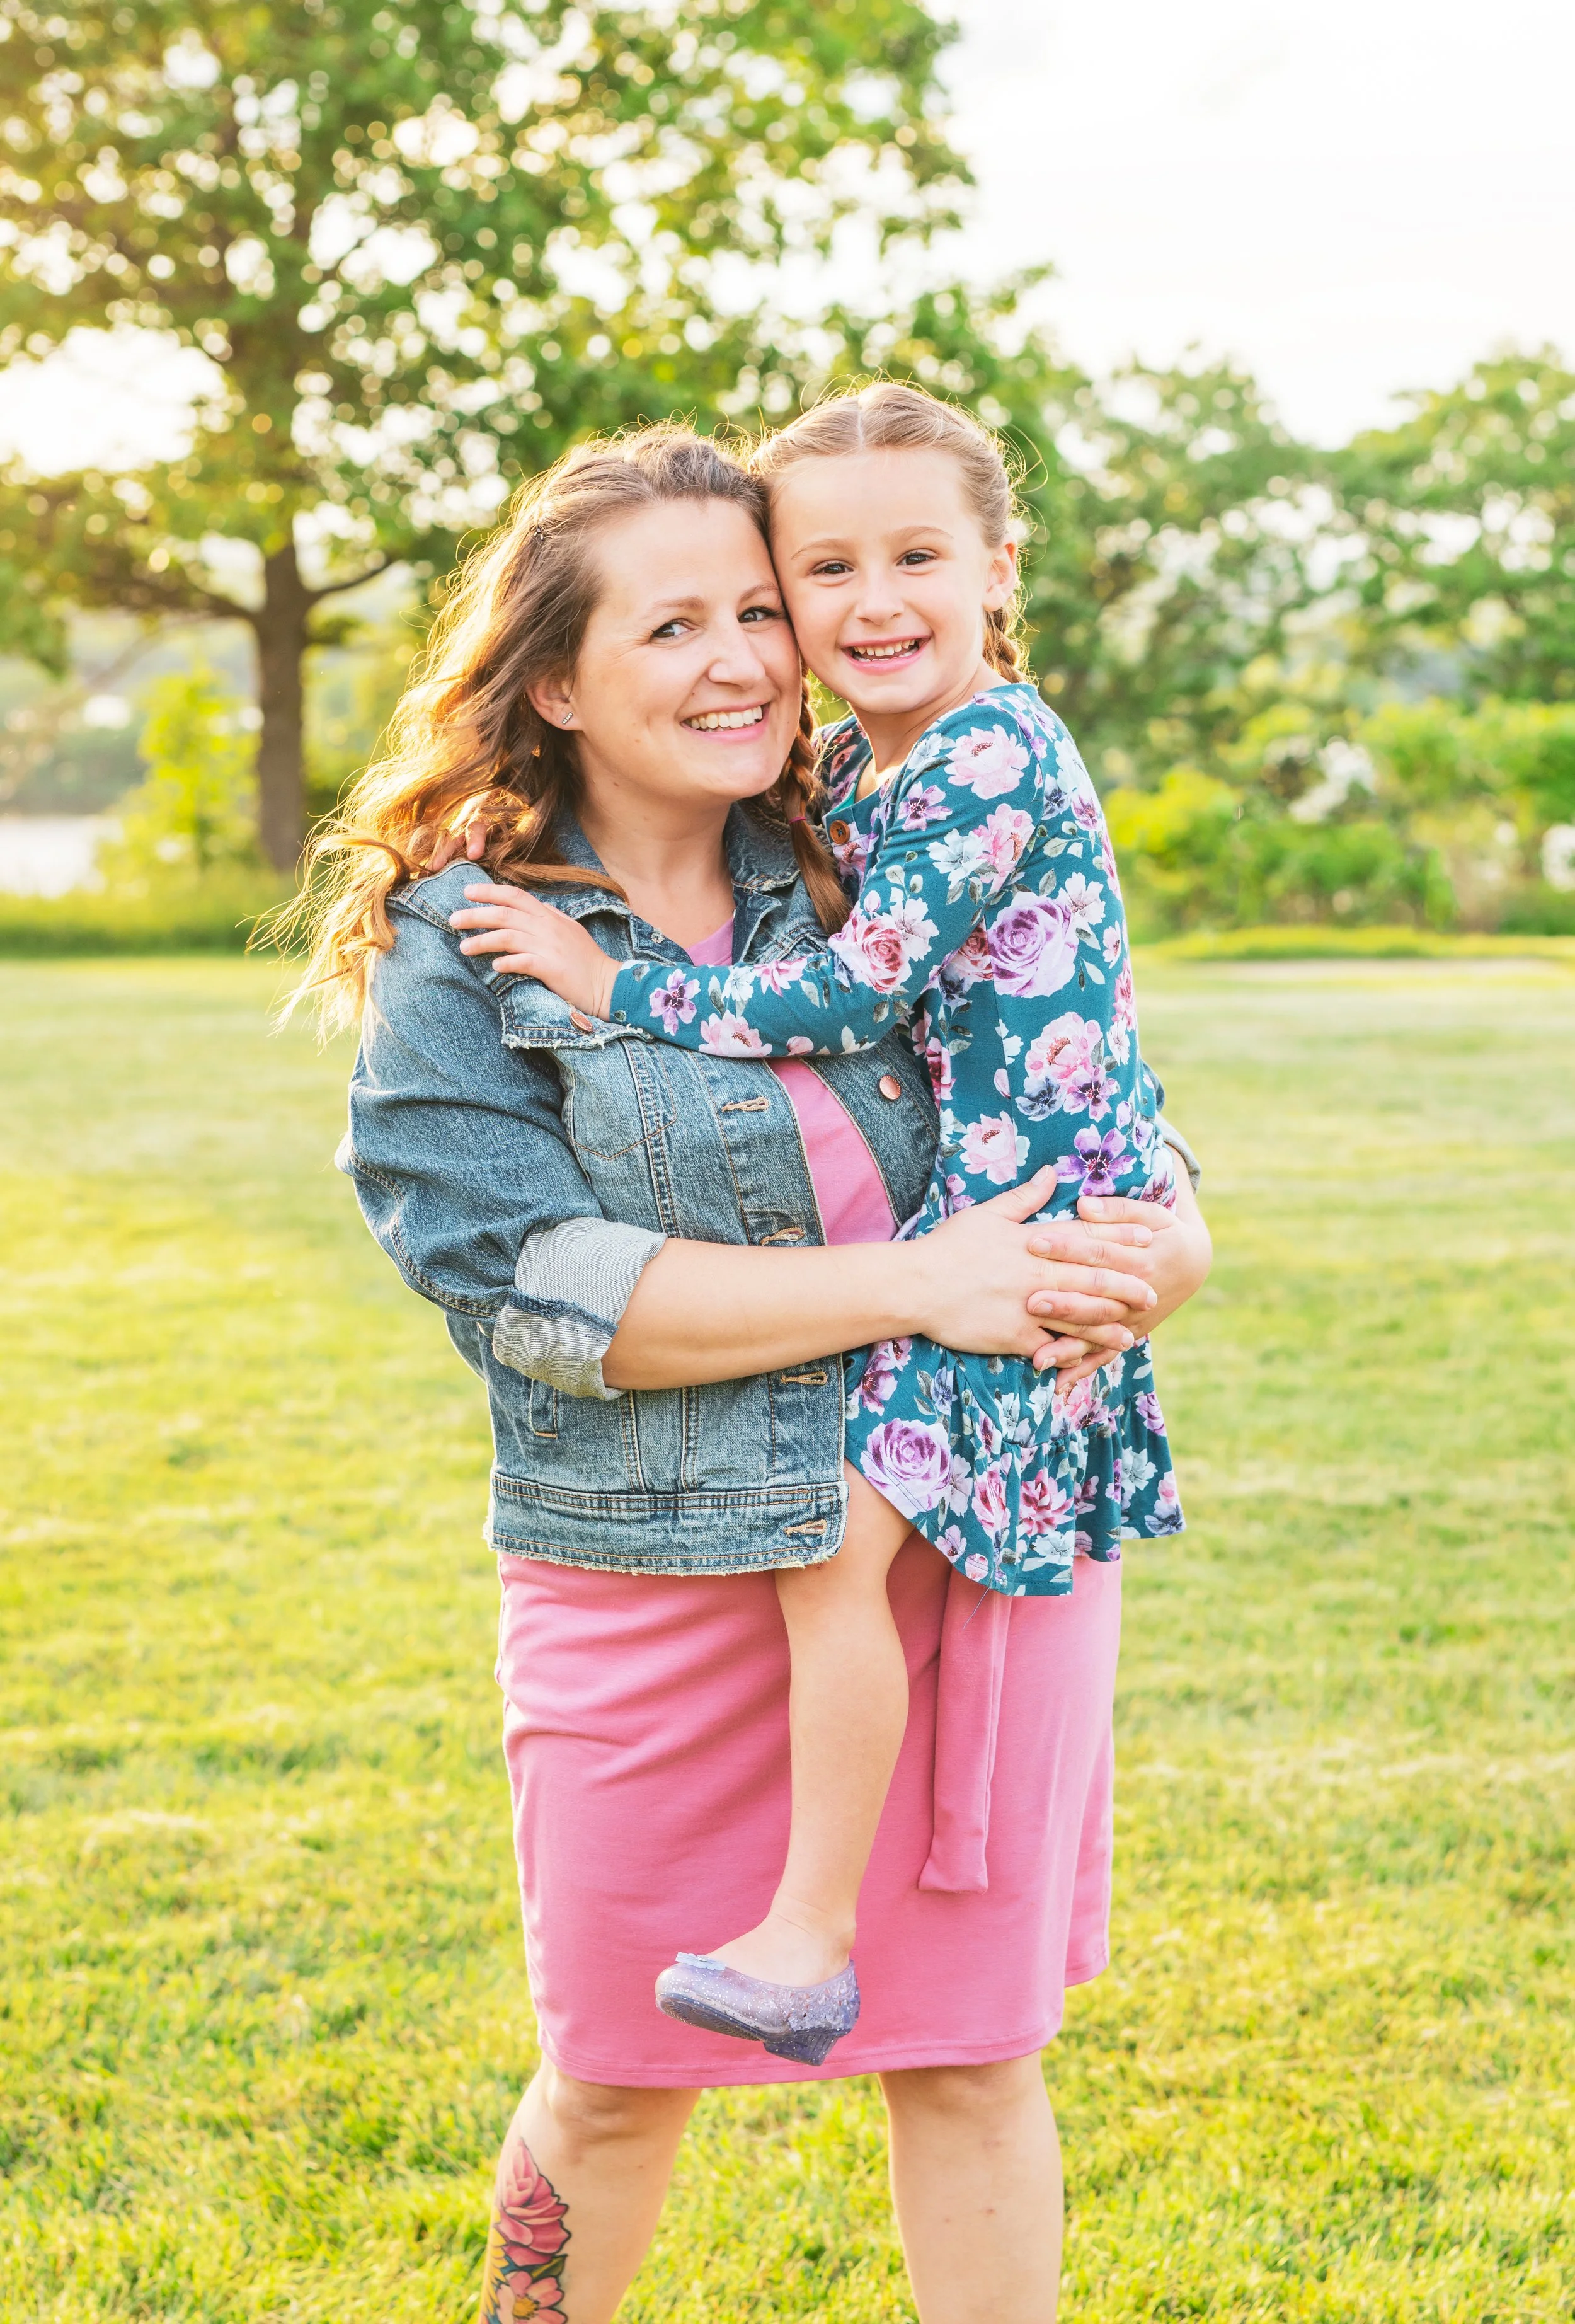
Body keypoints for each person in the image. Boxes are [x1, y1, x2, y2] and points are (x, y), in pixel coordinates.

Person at [292, 422, 1212, 2324]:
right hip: (652, 1564)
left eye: (754, 608)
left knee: (969, 2060)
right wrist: (924, 1283)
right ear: (554, 678)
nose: (745, 657)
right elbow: (539, 1289)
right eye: (674, 625)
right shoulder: (468, 948)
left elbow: (1069, 1081)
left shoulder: (863, 847)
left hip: (960, 1528)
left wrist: (1164, 1244)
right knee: (616, 2077)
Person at [446, 383, 1186, 2065]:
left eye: (914, 557)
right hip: (987, 1201)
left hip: (1032, 1203)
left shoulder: (991, 750)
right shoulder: (861, 760)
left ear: (998, 569)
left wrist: (609, 977)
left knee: (834, 1550)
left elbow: (853, 991)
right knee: (840, 1556)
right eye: (821, 571)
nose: (866, 607)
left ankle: (804, 1935)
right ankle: (809, 1928)